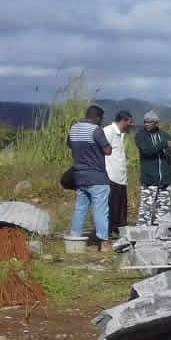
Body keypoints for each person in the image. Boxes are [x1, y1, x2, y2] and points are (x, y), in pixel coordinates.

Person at [67, 105, 113, 251]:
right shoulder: (96, 130)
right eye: (101, 119)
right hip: (97, 177)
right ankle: (104, 243)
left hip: (80, 176)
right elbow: (108, 150)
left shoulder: (74, 129)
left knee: (80, 208)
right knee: (100, 210)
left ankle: (74, 240)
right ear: (98, 118)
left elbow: (70, 145)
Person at [134, 110, 171, 225]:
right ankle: (142, 236)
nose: (146, 124)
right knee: (146, 212)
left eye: (150, 122)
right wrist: (164, 144)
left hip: (164, 182)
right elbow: (147, 151)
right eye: (145, 122)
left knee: (163, 214)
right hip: (149, 181)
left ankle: (159, 237)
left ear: (156, 123)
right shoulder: (140, 136)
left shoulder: (164, 135)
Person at [103, 110, 132, 238]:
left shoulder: (121, 134)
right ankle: (109, 231)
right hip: (110, 175)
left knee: (120, 207)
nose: (131, 125)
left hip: (120, 177)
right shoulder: (108, 131)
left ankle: (117, 230)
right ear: (123, 120)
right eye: (129, 122)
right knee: (112, 206)